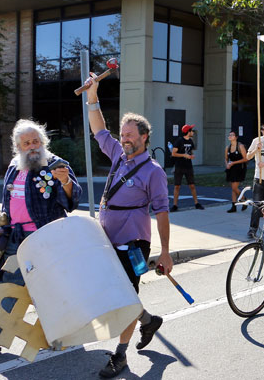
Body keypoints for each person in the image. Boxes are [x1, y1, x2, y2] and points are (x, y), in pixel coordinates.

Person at [84, 74, 173, 378]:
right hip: (106, 241)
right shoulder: (117, 158)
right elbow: (98, 129)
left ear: (144, 136)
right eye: (122, 135)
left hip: (134, 244)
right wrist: (92, 95)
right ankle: (148, 321)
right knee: (117, 296)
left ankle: (120, 356)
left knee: (124, 298)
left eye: (130, 135)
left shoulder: (153, 172)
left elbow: (162, 214)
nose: (125, 139)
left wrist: (165, 253)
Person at [0, 120, 81, 352]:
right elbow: (8, 201)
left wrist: (65, 181)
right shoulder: (14, 166)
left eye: (36, 141)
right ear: (18, 146)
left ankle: (61, 334)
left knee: (48, 289)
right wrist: (2, 225)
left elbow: (72, 200)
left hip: (45, 239)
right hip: (15, 238)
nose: (32, 146)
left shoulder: (56, 164)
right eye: (26, 142)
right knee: (5, 286)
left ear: (43, 142)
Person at [170, 124, 203, 212]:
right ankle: (175, 205)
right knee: (177, 186)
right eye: (191, 131)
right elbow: (173, 153)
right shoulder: (179, 141)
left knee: (192, 185)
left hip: (188, 166)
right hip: (179, 166)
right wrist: (184, 155)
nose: (192, 132)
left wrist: (191, 156)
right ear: (188, 132)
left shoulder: (191, 141)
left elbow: (190, 151)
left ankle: (197, 203)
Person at [224, 131, 248, 213]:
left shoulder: (240, 146)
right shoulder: (228, 147)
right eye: (229, 135)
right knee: (233, 188)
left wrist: (233, 163)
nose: (230, 136)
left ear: (236, 137)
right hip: (231, 169)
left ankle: (244, 199)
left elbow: (246, 158)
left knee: (234, 187)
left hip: (239, 168)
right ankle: (233, 206)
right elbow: (226, 158)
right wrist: (227, 164)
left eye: (232, 135)